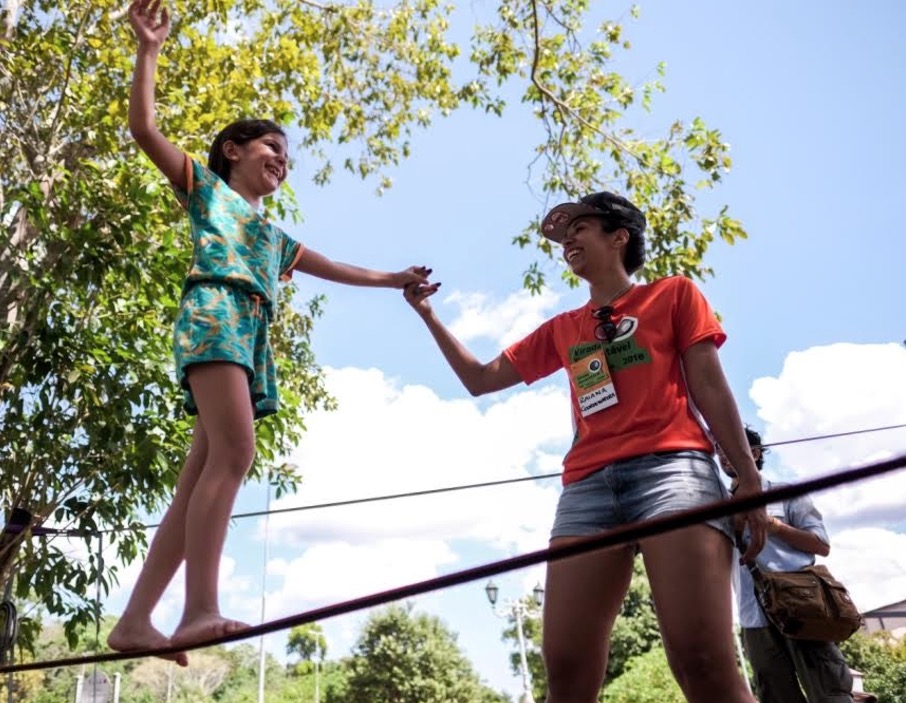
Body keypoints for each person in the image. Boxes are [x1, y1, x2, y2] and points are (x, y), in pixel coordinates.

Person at [108, 0, 430, 664]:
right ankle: (198, 609)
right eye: (271, 148)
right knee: (236, 455)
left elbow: (334, 266)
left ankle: (137, 617)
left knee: (204, 468)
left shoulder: (272, 234)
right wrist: (148, 50)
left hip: (246, 332)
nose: (282, 160)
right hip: (216, 313)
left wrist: (395, 277)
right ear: (234, 151)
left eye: (286, 156)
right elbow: (145, 129)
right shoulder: (208, 191)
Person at [404, 191, 768, 703]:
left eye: (580, 227)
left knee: (702, 662)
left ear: (619, 237)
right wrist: (427, 315)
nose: (567, 240)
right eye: (562, 234)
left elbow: (709, 383)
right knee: (567, 673)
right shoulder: (562, 329)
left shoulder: (674, 294)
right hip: (587, 490)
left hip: (675, 474)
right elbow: (480, 379)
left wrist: (748, 481)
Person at [719, 427, 855, 703]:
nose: (722, 455)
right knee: (775, 694)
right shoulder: (717, 506)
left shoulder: (788, 494)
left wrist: (772, 524)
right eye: (719, 449)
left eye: (729, 448)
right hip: (752, 614)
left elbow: (821, 545)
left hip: (803, 607)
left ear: (754, 453)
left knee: (829, 692)